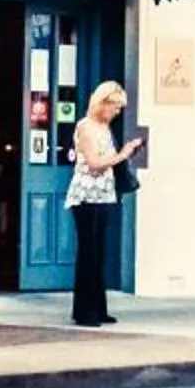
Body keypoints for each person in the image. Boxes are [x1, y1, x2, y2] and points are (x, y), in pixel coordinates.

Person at [67, 80, 145, 326]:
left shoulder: (104, 127)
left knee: (98, 253)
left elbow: (106, 160)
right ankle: (84, 311)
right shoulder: (86, 127)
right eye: (115, 107)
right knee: (88, 253)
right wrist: (122, 154)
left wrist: (125, 153)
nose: (117, 112)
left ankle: (98, 309)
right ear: (104, 102)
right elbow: (94, 162)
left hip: (103, 194)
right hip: (86, 196)